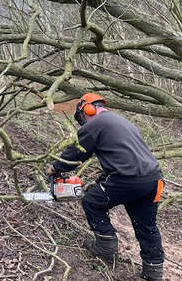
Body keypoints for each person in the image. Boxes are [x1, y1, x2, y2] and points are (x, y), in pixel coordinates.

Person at [47, 93, 165, 281]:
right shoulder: (123, 122)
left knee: (92, 201)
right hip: (153, 179)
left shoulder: (96, 124)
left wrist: (55, 167)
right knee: (147, 227)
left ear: (87, 109)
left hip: (127, 179)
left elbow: (78, 153)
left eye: (81, 117)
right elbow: (125, 158)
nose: (83, 122)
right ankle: (153, 272)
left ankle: (106, 248)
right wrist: (100, 181)